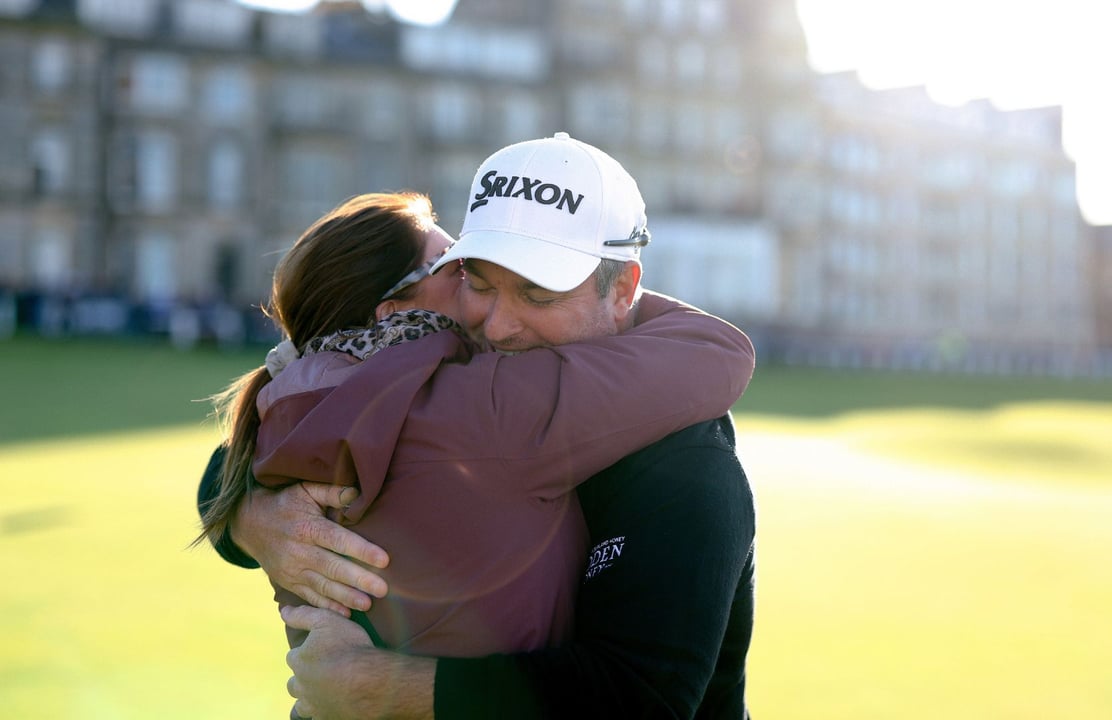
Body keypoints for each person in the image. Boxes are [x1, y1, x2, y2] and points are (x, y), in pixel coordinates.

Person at [207, 133, 757, 718]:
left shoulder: (687, 461)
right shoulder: (453, 385)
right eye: (478, 283)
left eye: (537, 295)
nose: (497, 327)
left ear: (622, 289)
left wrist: (381, 686)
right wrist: (254, 518)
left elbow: (641, 698)